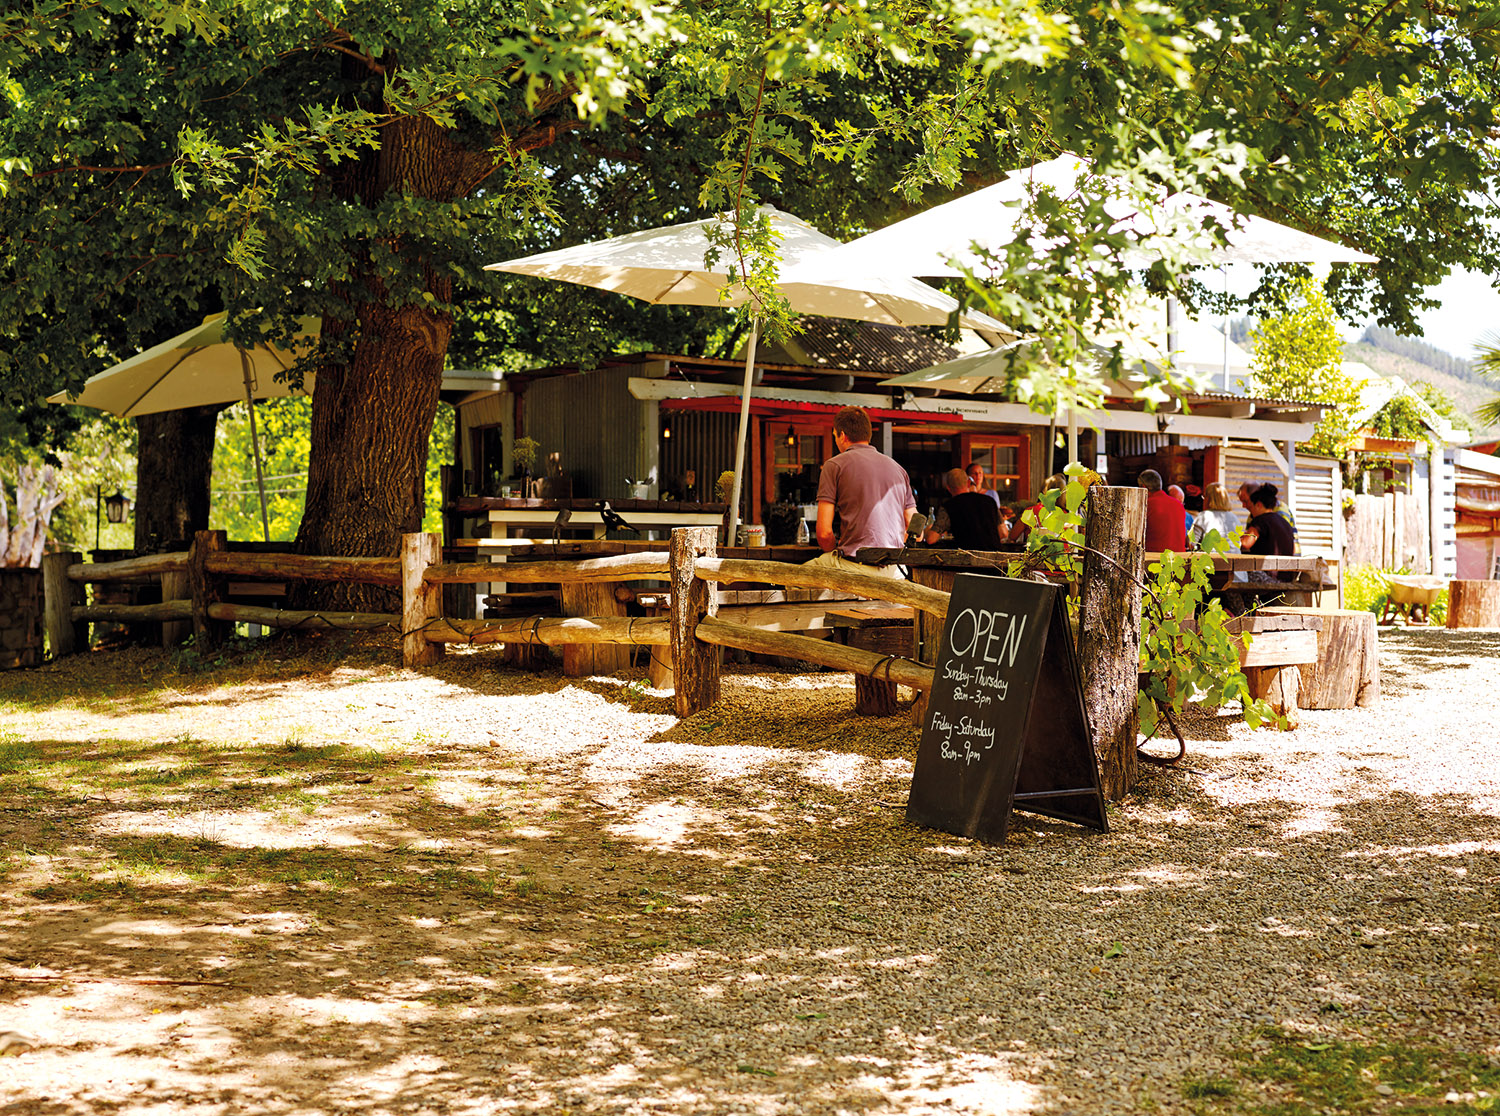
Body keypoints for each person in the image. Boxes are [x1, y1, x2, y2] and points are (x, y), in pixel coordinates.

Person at [810, 406, 916, 578]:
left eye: (835, 436)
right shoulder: (898, 469)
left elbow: (824, 533)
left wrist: (835, 553)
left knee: (791, 578)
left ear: (842, 435)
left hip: (855, 567)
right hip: (895, 572)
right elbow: (915, 528)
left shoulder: (834, 465)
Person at [924, 468, 1004, 549]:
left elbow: (931, 539)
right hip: (996, 558)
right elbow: (1003, 533)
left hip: (968, 558)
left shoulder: (949, 506)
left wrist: (927, 530)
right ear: (969, 483)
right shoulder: (990, 501)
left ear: (948, 488)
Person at [1240, 483, 1297, 558]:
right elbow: (1294, 549)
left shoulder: (1260, 521)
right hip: (1285, 568)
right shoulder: (1284, 522)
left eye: (1251, 507)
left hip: (1266, 568)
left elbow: (1245, 543)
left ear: (1258, 505)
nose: (1251, 513)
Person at [1139, 468, 1186, 552]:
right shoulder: (1178, 505)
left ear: (1143, 487)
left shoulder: (1145, 505)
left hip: (1154, 559)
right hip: (1179, 559)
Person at [1190, 481, 1240, 548]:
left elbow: (1192, 543)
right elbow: (1238, 544)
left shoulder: (1203, 516)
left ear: (1209, 499)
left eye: (1204, 497)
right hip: (1234, 557)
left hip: (1212, 557)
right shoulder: (1234, 518)